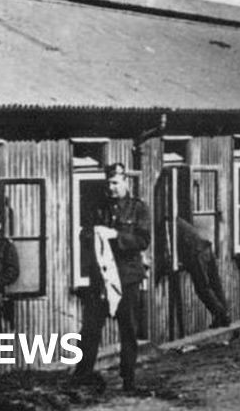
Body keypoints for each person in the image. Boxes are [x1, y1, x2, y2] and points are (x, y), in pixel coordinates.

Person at [74, 163, 151, 393]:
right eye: (108, 183)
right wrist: (94, 234)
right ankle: (83, 375)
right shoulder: (99, 208)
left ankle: (128, 379)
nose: (111, 187)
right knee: (91, 328)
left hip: (127, 278)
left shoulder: (138, 209)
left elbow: (143, 240)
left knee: (127, 329)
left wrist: (116, 235)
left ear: (125, 182)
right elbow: (84, 234)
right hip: (102, 278)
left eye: (115, 183)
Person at [170, 217, 231, 328]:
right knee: (215, 284)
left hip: (197, 253)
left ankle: (221, 315)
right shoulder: (179, 221)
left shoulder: (170, 225)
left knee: (202, 288)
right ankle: (225, 315)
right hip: (206, 249)